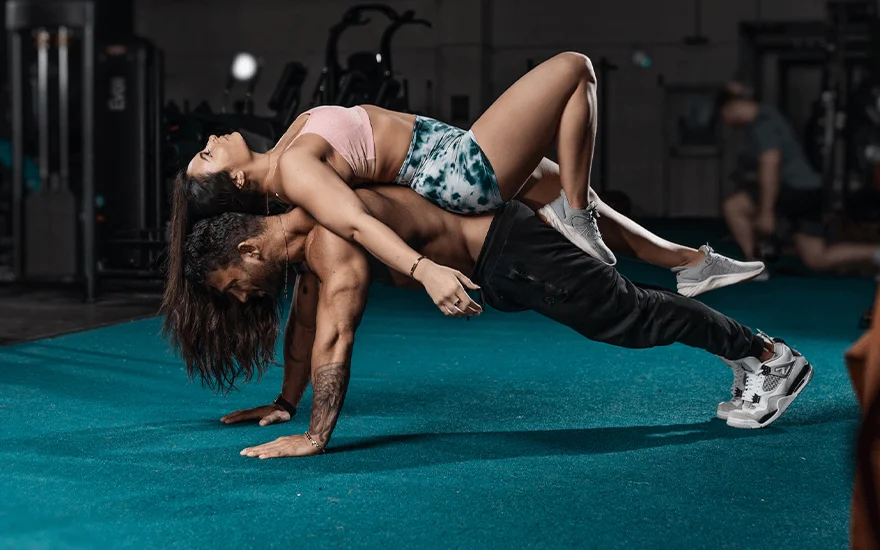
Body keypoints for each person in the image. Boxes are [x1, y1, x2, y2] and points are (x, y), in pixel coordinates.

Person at [171, 185, 813, 458]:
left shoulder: (329, 237)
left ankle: (766, 356)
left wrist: (315, 436)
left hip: (513, 250)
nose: (249, 297)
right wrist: (285, 400)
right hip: (505, 259)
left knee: (626, 316)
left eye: (237, 285)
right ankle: (752, 352)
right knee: (625, 309)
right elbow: (307, 325)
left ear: (249, 249)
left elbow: (336, 334)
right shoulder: (309, 223)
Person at [168, 52, 763, 323]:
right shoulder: (297, 173)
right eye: (205, 157)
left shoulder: (292, 149)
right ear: (238, 181)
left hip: (455, 163)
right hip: (461, 168)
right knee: (574, 70)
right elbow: (355, 224)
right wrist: (424, 270)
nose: (211, 141)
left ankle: (689, 263)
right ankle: (577, 222)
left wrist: (288, 398)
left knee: (582, 196)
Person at [716, 85, 880, 277]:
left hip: (794, 191)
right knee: (817, 258)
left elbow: (771, 166)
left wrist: (767, 212)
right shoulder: (765, 117)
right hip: (809, 192)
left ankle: (754, 267)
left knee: (733, 206)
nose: (726, 122)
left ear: (733, 107)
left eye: (723, 116)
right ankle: (876, 253)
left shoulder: (763, 122)